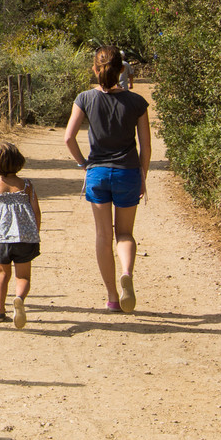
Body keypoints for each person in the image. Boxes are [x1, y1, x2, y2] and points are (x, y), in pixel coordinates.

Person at [63, 45, 151, 312]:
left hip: (98, 173)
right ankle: (127, 272)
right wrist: (142, 175)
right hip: (128, 172)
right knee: (124, 233)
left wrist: (84, 163)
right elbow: (145, 146)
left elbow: (68, 137)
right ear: (122, 70)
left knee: (103, 235)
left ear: (95, 68)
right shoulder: (137, 102)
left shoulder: (85, 98)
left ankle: (113, 297)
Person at [0, 140, 41, 328]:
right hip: (24, 237)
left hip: (0, 238)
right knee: (23, 276)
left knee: (2, 274)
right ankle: (19, 299)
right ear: (18, 161)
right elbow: (36, 210)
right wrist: (35, 231)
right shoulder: (27, 186)